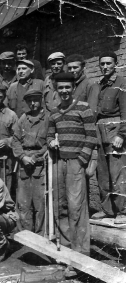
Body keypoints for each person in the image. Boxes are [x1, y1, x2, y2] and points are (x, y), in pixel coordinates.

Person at [47, 73, 97, 256]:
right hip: (59, 162)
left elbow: (91, 136)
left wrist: (81, 161)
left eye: (67, 87)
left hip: (76, 163)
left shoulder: (84, 108)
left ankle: (81, 253)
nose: (64, 91)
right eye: (60, 88)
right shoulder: (54, 112)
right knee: (61, 205)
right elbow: (49, 135)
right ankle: (67, 249)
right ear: (56, 90)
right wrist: (51, 142)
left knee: (76, 207)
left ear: (73, 88)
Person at [91, 51, 126, 224]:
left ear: (115, 64)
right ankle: (107, 209)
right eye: (102, 64)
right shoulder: (100, 85)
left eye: (108, 63)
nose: (105, 67)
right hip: (100, 130)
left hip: (115, 131)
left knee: (117, 173)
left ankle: (122, 211)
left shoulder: (121, 83)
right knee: (102, 173)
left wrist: (122, 134)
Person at [12, 89, 49, 235]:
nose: (33, 104)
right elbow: (15, 140)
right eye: (29, 101)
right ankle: (25, 235)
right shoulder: (23, 119)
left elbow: (49, 142)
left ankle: (40, 235)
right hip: (24, 164)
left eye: (35, 100)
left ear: (41, 100)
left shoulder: (48, 118)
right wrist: (22, 157)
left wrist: (36, 157)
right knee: (23, 202)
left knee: (40, 202)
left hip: (41, 164)